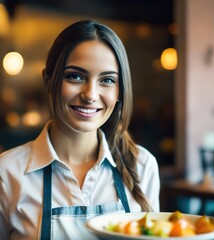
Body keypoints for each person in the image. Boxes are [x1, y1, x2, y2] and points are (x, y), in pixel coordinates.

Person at [0, 20, 160, 239]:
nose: (90, 94)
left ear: (120, 90)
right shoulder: (7, 173)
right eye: (75, 76)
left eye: (107, 80)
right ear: (48, 79)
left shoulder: (142, 166)